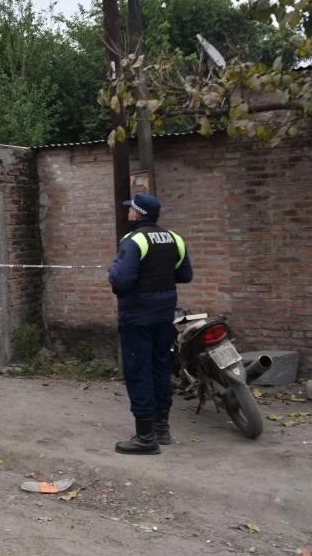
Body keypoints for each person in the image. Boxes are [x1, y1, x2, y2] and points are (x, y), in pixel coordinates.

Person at [108, 192, 193, 455]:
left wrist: (113, 271)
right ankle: (161, 428)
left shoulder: (133, 241)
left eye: (130, 209)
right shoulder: (174, 238)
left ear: (138, 214)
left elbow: (120, 280)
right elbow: (185, 274)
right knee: (160, 368)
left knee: (138, 371)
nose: (128, 213)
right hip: (164, 314)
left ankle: (145, 438)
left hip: (137, 316)